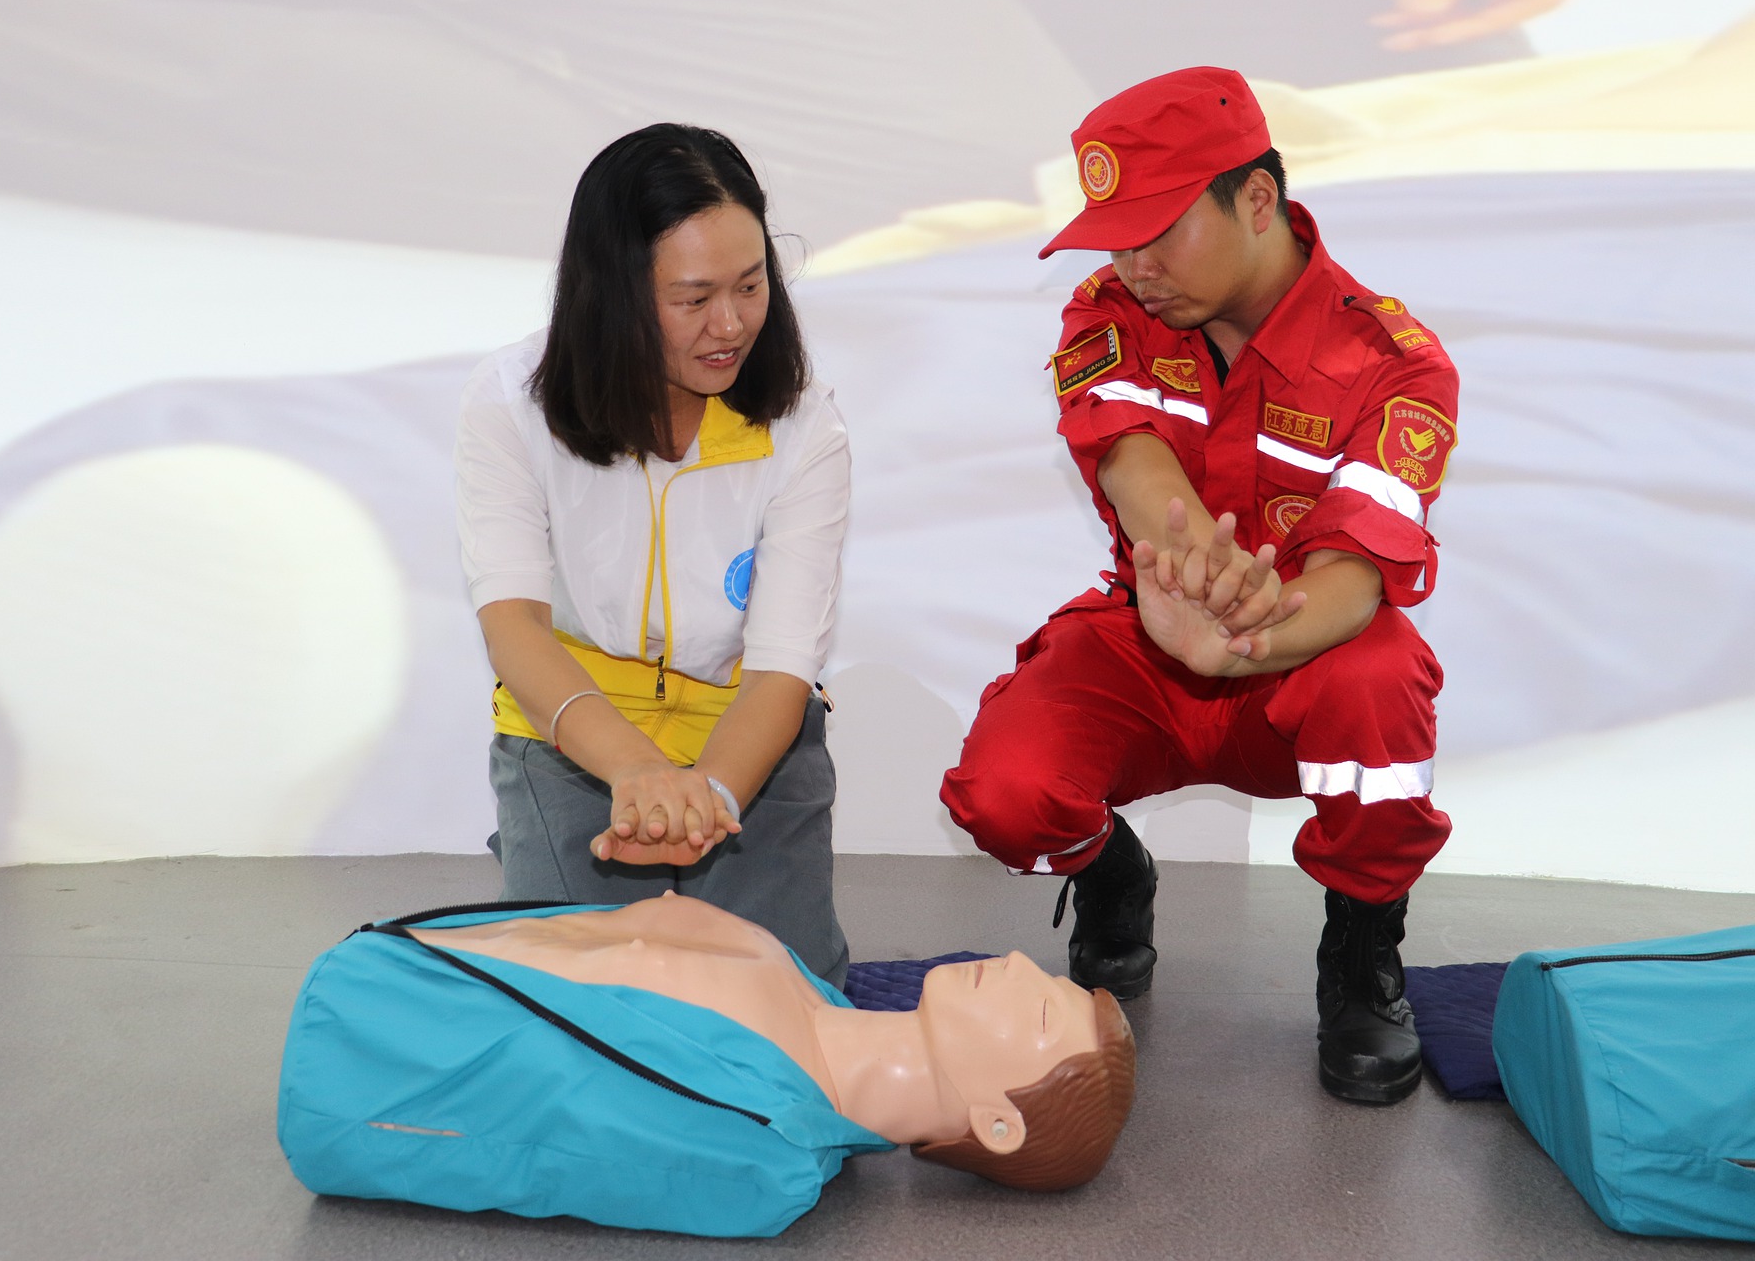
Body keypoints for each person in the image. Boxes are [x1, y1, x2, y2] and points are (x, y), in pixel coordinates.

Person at [940, 67, 1459, 1105]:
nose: (1133, 264)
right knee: (1002, 791)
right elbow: (1135, 464)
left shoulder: (1396, 363)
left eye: (1158, 231)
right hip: (1151, 638)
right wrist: (1184, 570)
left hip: (1298, 654)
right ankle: (1111, 874)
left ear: (1256, 199)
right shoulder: (1107, 313)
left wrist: (1244, 643)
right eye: (1114, 237)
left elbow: (1355, 579)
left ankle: (1362, 950)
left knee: (1380, 679)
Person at [454, 124, 852, 985]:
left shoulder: (805, 421)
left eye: (752, 287)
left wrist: (708, 797)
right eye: (693, 297)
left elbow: (783, 668)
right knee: (580, 1000)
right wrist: (633, 770)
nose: (732, 323)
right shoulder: (508, 403)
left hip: (749, 731)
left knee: (783, 997)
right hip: (576, 727)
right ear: (615, 295)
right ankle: (542, 830)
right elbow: (515, 626)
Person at [277, 894, 1137, 1236]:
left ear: (997, 1119)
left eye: (1036, 1005)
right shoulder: (797, 980)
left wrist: (351, 1104)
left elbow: (544, 1141)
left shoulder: (765, 1156)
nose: (1022, 961)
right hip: (393, 966)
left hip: (357, 1055)